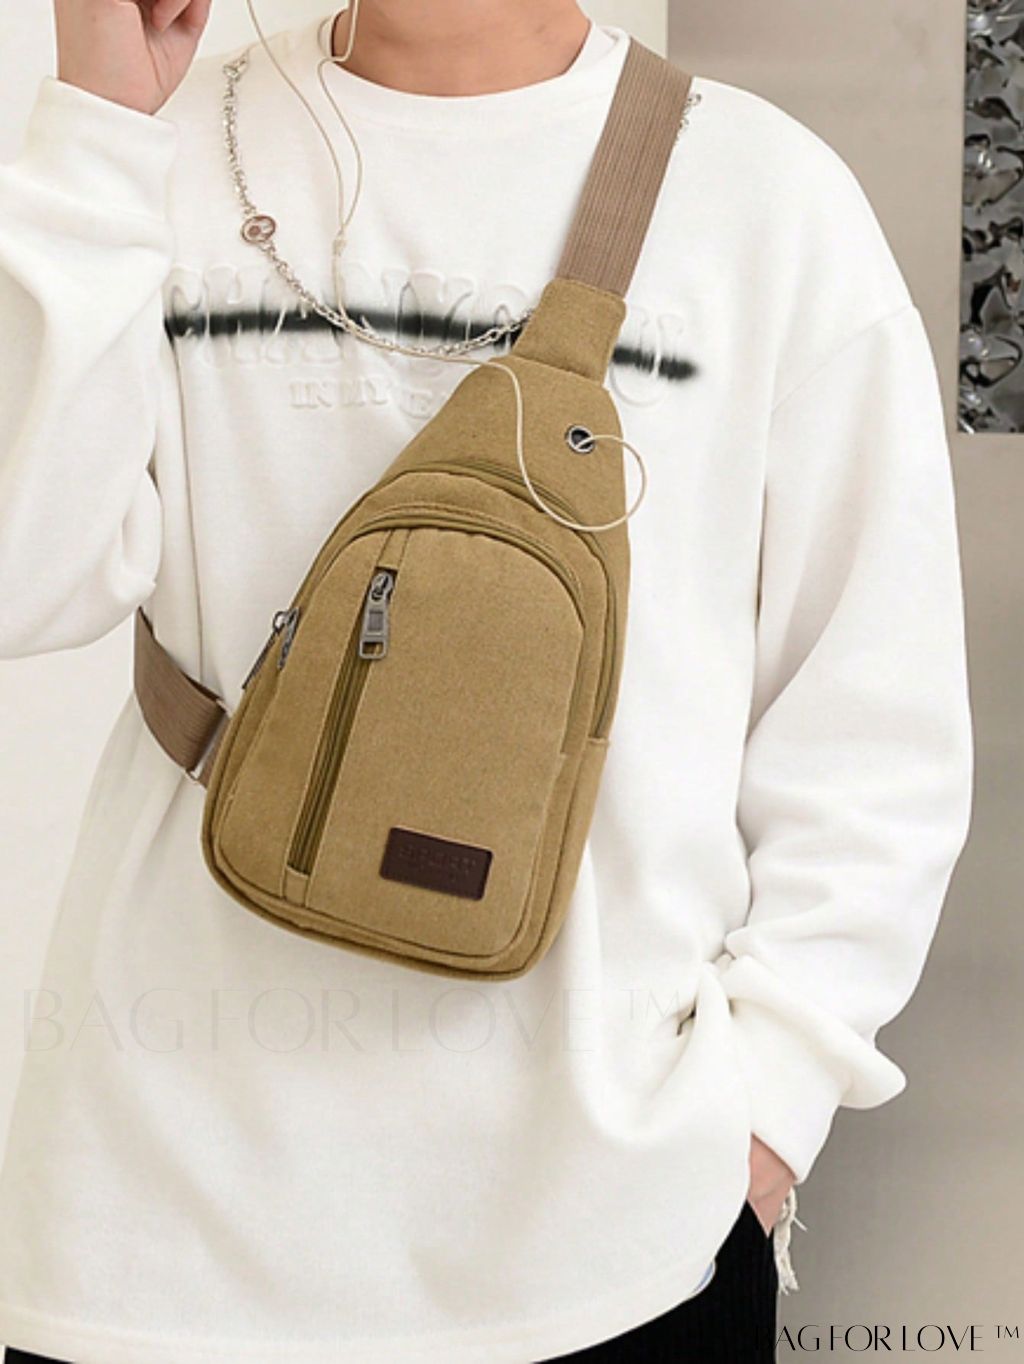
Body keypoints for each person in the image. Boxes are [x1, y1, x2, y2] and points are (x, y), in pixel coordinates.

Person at [0, 0, 973, 1361]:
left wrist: (764, 1112)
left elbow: (874, 723)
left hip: (617, 1239)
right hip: (159, 1232)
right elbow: (25, 577)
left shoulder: (767, 197)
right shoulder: (161, 151)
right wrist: (98, 126)